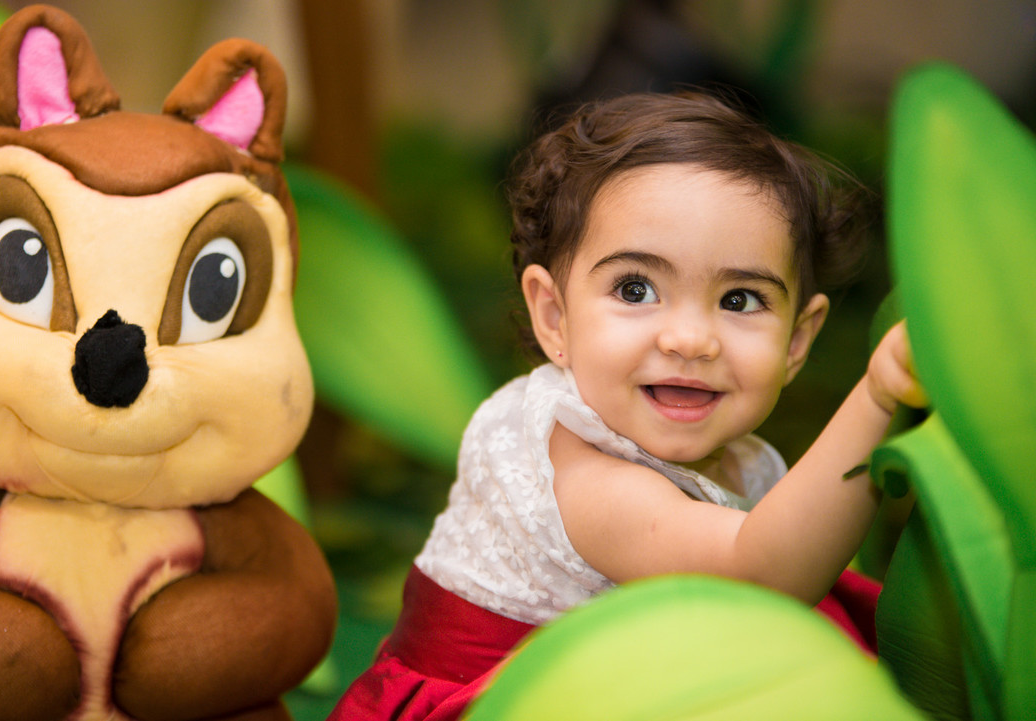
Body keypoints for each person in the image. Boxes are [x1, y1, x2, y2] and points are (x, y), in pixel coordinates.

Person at [327, 91, 927, 721]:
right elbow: (762, 575)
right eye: (636, 288)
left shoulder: (726, 453)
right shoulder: (584, 473)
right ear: (555, 316)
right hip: (504, 700)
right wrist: (877, 396)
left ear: (797, 341)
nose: (690, 339)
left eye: (741, 299)